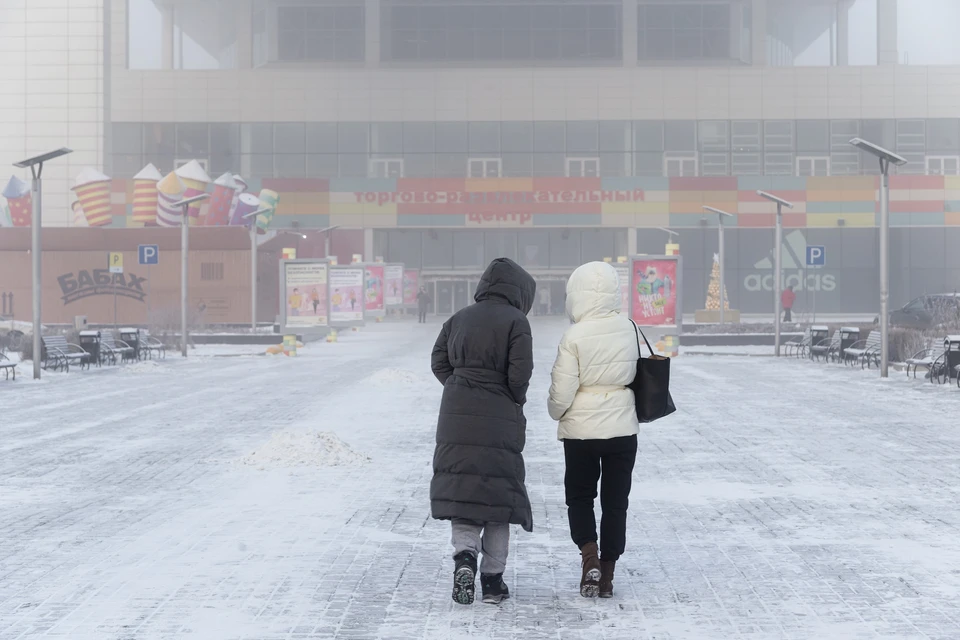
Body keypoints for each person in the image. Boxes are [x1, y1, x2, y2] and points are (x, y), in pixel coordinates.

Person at [430, 258, 536, 606]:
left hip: (456, 414)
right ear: (519, 292)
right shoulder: (516, 321)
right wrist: (510, 397)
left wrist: (460, 385)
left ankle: (464, 558)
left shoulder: (459, 317)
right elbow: (520, 373)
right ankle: (492, 582)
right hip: (499, 414)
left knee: (463, 491)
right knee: (497, 500)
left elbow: (438, 359)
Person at [548, 261, 640, 600]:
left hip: (581, 432)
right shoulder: (628, 328)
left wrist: (555, 411)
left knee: (580, 497)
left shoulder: (574, 335)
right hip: (622, 429)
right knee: (616, 502)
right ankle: (609, 574)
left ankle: (589, 558)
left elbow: (561, 395)